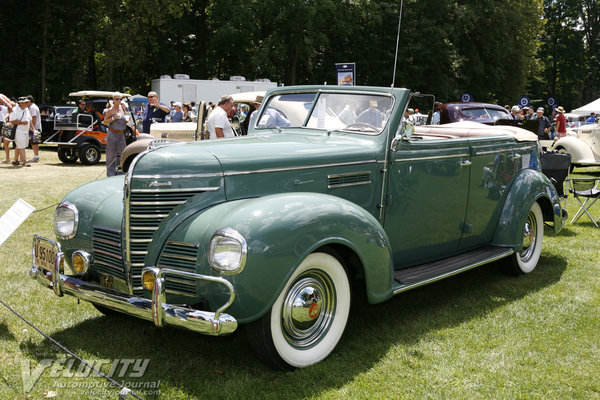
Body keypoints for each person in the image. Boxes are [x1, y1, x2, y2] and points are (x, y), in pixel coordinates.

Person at [103, 93, 127, 176]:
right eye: (117, 99)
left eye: (120, 99)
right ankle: (110, 173)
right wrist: (113, 118)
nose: (119, 101)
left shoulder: (122, 108)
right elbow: (105, 122)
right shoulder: (110, 110)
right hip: (113, 133)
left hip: (121, 134)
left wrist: (126, 120)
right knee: (111, 154)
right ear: (113, 100)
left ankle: (120, 172)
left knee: (122, 153)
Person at [8, 97, 32, 166]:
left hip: (25, 131)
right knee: (21, 146)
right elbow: (12, 120)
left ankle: (15, 160)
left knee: (20, 145)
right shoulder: (14, 110)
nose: (27, 103)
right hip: (18, 130)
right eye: (26, 102)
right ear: (21, 103)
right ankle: (24, 161)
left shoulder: (26, 109)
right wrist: (22, 123)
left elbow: (29, 119)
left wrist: (32, 128)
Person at [26, 95, 41, 162]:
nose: (26, 103)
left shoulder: (32, 108)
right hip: (36, 128)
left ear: (30, 101)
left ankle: (36, 156)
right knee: (35, 142)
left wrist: (32, 128)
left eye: (27, 101)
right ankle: (36, 156)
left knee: (33, 142)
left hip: (35, 128)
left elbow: (33, 118)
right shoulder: (34, 107)